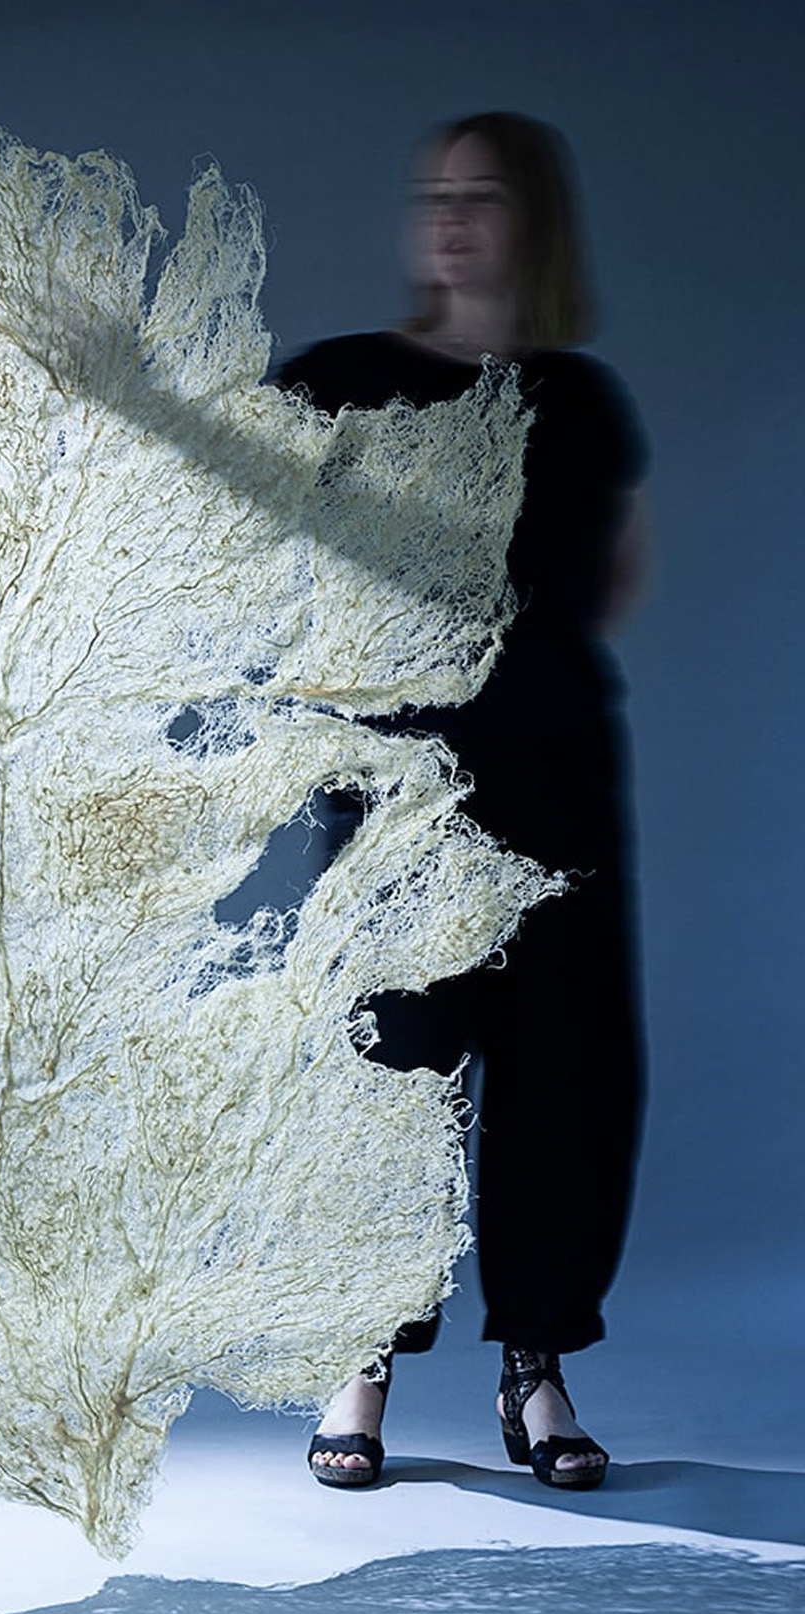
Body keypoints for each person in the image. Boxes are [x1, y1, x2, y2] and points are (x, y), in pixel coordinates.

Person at [276, 113, 650, 1491]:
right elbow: (232, 497)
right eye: (433, 193)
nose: (448, 218)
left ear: (532, 223)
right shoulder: (341, 381)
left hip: (555, 781)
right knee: (391, 1068)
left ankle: (535, 1367)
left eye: (480, 196)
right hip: (398, 790)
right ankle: (359, 1354)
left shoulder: (585, 402)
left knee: (564, 1077)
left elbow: (612, 583)